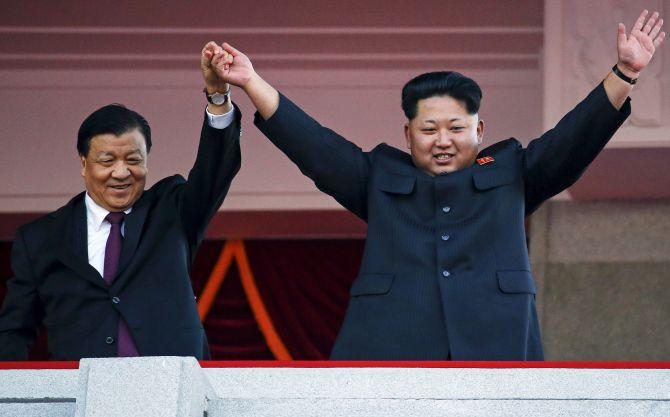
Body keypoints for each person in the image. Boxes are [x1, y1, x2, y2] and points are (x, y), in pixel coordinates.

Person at [210, 11, 664, 360]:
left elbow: (573, 140)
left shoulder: (512, 171)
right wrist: (250, 81)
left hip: (496, 346)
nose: (443, 141)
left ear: (479, 130)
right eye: (429, 130)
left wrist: (623, 73)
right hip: (389, 348)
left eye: (455, 128)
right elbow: (316, 147)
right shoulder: (379, 177)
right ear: (408, 135)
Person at [0, 42, 241, 360]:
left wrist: (218, 97)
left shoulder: (172, 211)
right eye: (107, 160)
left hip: (170, 393)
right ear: (84, 163)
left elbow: (215, 172)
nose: (121, 172)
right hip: (82, 400)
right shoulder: (41, 238)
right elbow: (14, 331)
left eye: (132, 159)